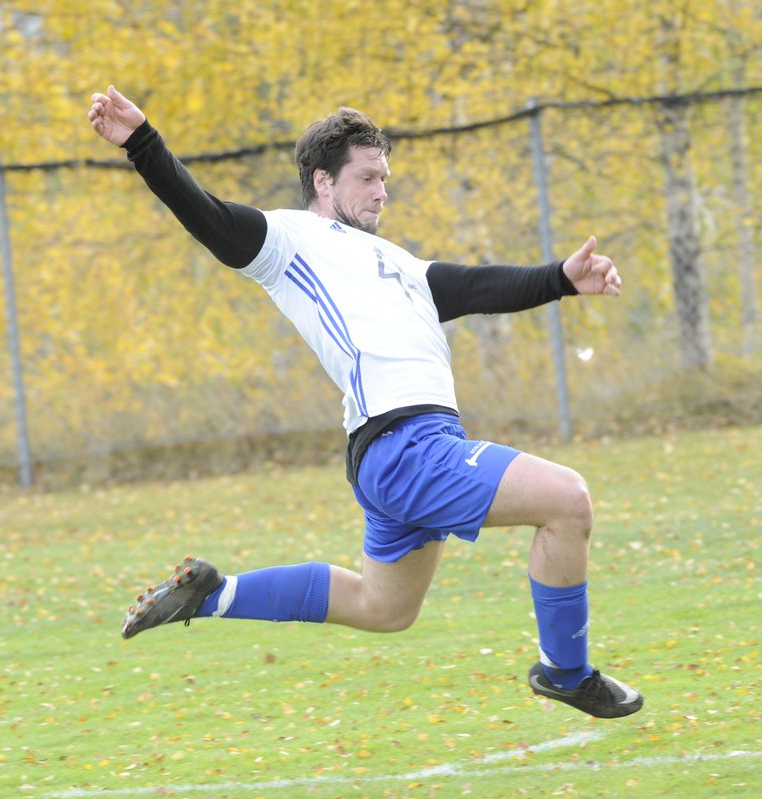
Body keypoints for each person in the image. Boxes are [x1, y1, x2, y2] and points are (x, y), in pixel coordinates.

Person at [87, 86, 642, 719]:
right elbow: (205, 213)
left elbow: (479, 284)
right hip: (407, 447)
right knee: (567, 502)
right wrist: (142, 142)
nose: (382, 190)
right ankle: (566, 673)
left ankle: (215, 595)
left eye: (386, 177)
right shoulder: (291, 240)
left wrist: (560, 280)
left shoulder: (400, 264)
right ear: (323, 181)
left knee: (386, 609)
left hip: (393, 455)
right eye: (368, 176)